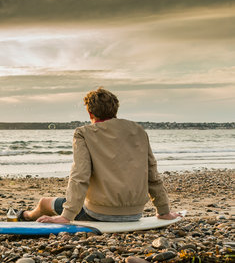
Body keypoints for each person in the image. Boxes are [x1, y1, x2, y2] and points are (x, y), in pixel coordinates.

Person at [19, 87, 180, 223]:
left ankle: (24, 216)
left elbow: (80, 175)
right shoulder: (138, 131)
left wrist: (66, 216)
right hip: (135, 214)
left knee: (44, 203)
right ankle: (25, 215)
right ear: (115, 109)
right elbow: (152, 173)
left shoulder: (83, 133)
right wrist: (164, 211)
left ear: (90, 113)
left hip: (98, 215)